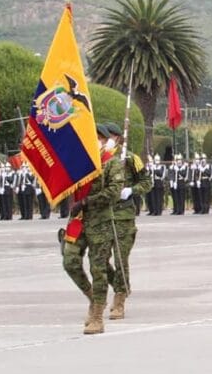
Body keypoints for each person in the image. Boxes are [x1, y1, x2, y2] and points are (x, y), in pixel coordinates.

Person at [68, 123, 124, 334]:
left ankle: (98, 317)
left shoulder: (111, 163)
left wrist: (86, 202)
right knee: (70, 261)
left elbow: (113, 192)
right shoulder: (81, 162)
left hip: (100, 222)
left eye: (100, 137)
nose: (96, 140)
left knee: (98, 269)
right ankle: (92, 297)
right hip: (78, 221)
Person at [104, 121, 152, 321]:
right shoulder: (98, 158)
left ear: (116, 137)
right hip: (103, 216)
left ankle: (119, 301)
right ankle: (120, 286)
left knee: (120, 260)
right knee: (98, 260)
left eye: (105, 136)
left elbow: (147, 182)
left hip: (124, 216)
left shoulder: (130, 159)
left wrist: (131, 190)